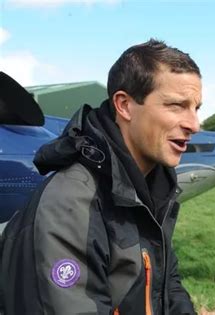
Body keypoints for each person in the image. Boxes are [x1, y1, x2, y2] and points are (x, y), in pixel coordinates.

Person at [0, 39, 201, 314]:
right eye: (176, 105)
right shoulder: (71, 203)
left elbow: (168, 289)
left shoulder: (152, 189)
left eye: (196, 108)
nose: (194, 124)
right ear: (125, 105)